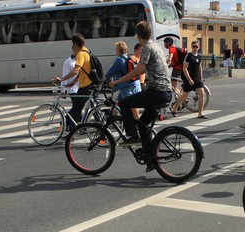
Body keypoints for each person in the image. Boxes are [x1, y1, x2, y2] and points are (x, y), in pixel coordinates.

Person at [109, 21, 172, 166]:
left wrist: (116, 82)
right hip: (165, 92)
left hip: (157, 92)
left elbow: (137, 71)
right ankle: (150, 159)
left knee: (124, 103)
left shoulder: (147, 48)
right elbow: (143, 70)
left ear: (138, 35)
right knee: (144, 125)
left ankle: (132, 136)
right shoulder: (156, 45)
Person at [53, 34, 94, 130]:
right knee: (77, 109)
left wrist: (62, 79)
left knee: (76, 109)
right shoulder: (87, 51)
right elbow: (82, 72)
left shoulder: (80, 54)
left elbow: (76, 70)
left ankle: (67, 129)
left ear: (75, 44)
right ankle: (74, 129)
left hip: (85, 86)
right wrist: (73, 81)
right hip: (88, 84)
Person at [172, 40, 207, 118]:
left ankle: (200, 113)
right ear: (191, 47)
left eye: (196, 46)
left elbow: (199, 67)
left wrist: (201, 77)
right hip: (188, 78)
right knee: (184, 95)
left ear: (199, 47)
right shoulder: (188, 56)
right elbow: (185, 69)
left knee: (202, 93)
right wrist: (189, 79)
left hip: (196, 78)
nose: (195, 48)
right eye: (193, 46)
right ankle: (175, 108)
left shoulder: (198, 56)